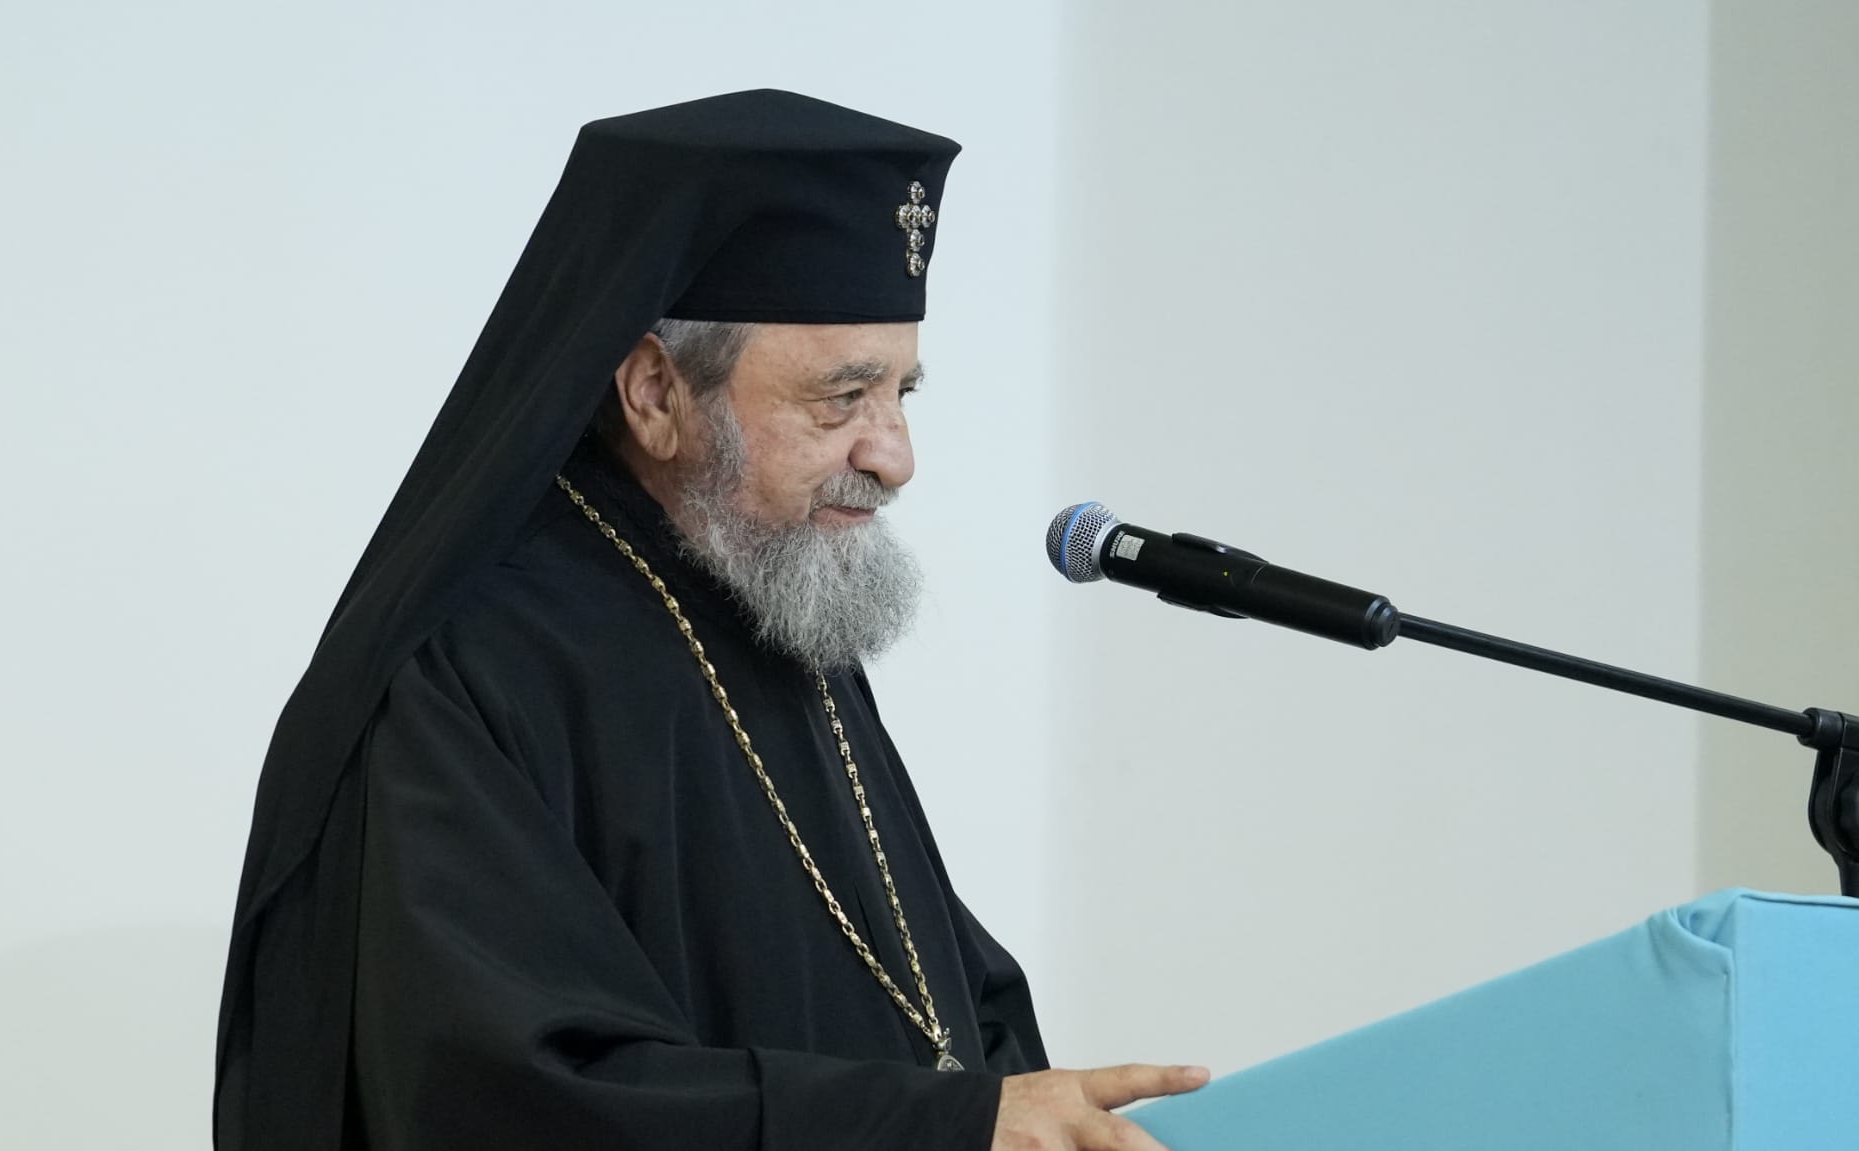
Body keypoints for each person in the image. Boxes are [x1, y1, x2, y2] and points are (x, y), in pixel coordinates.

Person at [215, 89, 1207, 1151]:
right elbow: (511, 1098)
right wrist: (940, 1129)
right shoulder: (469, 668)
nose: (894, 456)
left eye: (902, 393)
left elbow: (935, 1005)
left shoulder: (771, 597)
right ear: (653, 391)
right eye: (841, 398)